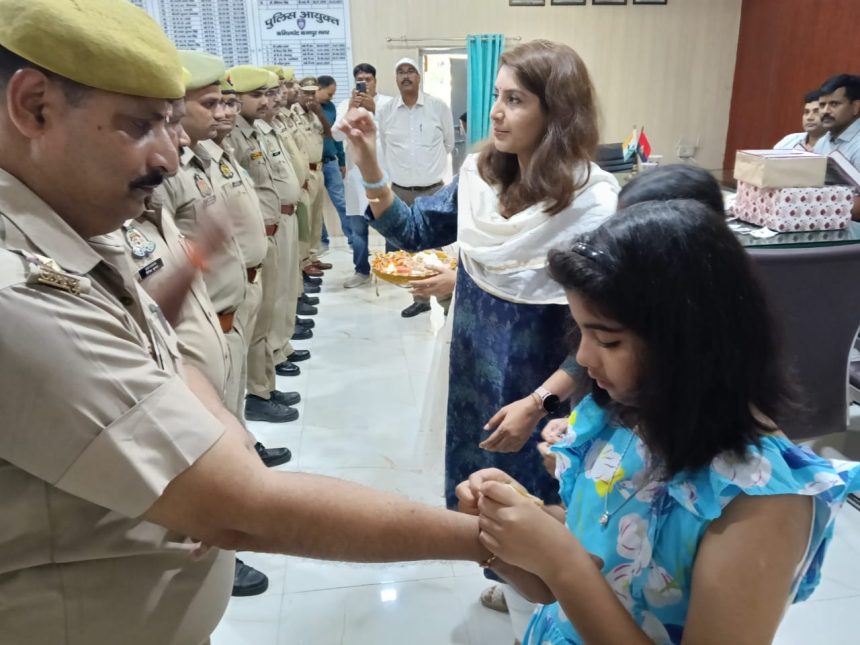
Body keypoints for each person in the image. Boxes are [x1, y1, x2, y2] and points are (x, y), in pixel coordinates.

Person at [0, 1, 525, 642]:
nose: (169, 156)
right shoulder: (18, 290)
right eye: (139, 126)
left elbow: (161, 347)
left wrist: (226, 439)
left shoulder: (71, 225)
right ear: (33, 106)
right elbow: (243, 507)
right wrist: (491, 542)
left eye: (170, 123)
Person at [458, 200, 860, 644]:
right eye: (581, 332)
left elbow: (573, 569)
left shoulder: (760, 502)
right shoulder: (617, 417)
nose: (584, 358)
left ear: (689, 342)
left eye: (608, 341)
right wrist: (522, 527)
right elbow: (592, 547)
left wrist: (558, 560)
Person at [338, 35, 619, 548]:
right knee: (481, 496)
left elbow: (604, 333)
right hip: (472, 372)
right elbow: (415, 232)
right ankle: (503, 570)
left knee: (541, 507)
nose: (495, 113)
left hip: (545, 392)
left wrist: (537, 403)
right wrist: (370, 164)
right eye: (496, 96)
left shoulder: (590, 205)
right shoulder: (481, 177)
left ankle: (539, 586)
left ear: (557, 113)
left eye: (515, 100)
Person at [376, 56, 456, 318]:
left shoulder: (437, 107)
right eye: (401, 72)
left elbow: (448, 143)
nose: (406, 76)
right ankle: (420, 299)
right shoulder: (386, 111)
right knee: (408, 252)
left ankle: (447, 301)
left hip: (433, 190)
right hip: (400, 191)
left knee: (435, 251)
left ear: (419, 77)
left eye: (411, 71)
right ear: (396, 78)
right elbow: (384, 147)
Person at [334, 63, 394, 288]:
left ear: (375, 81)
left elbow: (394, 132)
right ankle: (361, 271)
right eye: (360, 80)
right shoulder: (345, 105)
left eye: (368, 79)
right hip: (356, 177)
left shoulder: (388, 104)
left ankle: (392, 269)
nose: (365, 84)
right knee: (358, 227)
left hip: (384, 174)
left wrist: (375, 109)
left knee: (391, 225)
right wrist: (351, 109)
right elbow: (337, 136)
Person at [316, 75, 351, 248]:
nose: (331, 97)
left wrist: (341, 161)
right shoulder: (303, 109)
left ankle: (354, 240)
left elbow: (336, 136)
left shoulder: (330, 107)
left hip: (331, 162)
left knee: (342, 203)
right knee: (315, 206)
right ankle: (321, 241)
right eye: (329, 93)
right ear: (318, 88)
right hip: (312, 165)